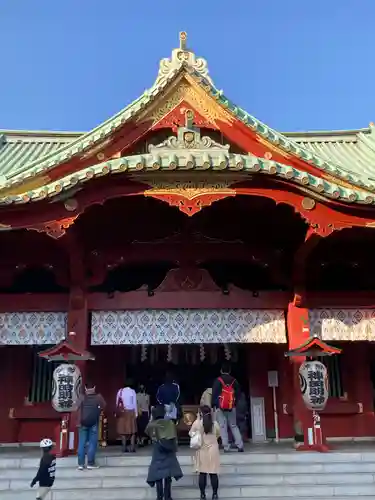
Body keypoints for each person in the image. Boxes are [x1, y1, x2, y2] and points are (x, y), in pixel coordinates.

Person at [146, 404, 183, 500]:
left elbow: (147, 433)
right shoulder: (170, 423)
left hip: (157, 451)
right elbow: (174, 437)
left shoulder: (153, 424)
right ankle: (168, 496)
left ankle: (159, 496)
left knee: (158, 476)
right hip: (168, 451)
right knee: (168, 476)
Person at [189, 406, 220, 500]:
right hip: (213, 450)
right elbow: (218, 434)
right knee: (213, 473)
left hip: (202, 450)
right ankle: (215, 494)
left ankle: (202, 495)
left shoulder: (198, 423)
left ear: (201, 413)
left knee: (202, 473)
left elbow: (191, 433)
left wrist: (198, 420)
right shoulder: (214, 423)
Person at [212, 362, 244, 452]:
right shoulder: (234, 381)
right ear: (229, 371)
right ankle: (240, 445)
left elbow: (214, 394)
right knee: (233, 425)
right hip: (231, 406)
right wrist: (235, 403)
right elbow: (238, 393)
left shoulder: (218, 381)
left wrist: (214, 405)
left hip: (220, 407)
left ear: (221, 370)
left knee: (223, 426)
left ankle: (226, 446)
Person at [77, 381, 106, 470]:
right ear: (94, 387)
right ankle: (90, 463)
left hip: (82, 423)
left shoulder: (81, 397)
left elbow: (77, 408)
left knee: (81, 443)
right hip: (94, 422)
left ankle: (80, 464)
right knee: (92, 443)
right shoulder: (98, 397)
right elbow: (104, 406)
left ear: (85, 388)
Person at [116, 379, 138, 453]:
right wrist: (136, 413)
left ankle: (124, 447)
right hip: (131, 412)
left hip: (122, 412)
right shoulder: (132, 391)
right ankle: (132, 447)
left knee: (123, 430)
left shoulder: (120, 391)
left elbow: (117, 403)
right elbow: (135, 404)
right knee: (132, 431)